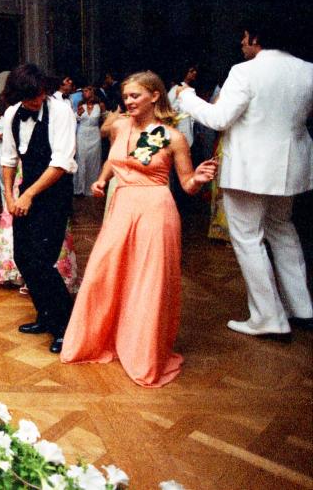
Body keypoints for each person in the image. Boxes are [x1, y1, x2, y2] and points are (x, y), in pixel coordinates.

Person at [62, 71, 217, 386]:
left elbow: (186, 185)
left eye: (135, 96)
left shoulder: (172, 137)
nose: (128, 101)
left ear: (155, 96)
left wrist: (197, 180)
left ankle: (143, 353)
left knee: (147, 282)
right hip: (121, 207)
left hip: (155, 210)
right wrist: (103, 178)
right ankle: (96, 340)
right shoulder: (120, 126)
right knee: (104, 273)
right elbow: (117, 155)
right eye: (126, 96)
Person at [177, 20, 313, 338]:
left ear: (255, 37)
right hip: (291, 166)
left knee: (248, 238)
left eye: (243, 37)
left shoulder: (244, 71)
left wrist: (187, 97)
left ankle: (269, 317)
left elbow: (218, 118)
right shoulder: (308, 69)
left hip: (250, 169)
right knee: (282, 230)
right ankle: (302, 308)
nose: (241, 43)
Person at [0, 64, 77, 354]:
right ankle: (45, 315)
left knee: (42, 260)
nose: (38, 101)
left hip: (54, 190)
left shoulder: (61, 110)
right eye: (31, 97)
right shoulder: (11, 114)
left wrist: (29, 194)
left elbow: (61, 162)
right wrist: (10, 195)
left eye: (41, 94)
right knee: (23, 257)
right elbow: (8, 159)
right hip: (25, 190)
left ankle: (66, 326)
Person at [73, 85, 105, 196]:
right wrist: (79, 113)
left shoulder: (100, 105)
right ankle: (79, 189)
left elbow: (105, 120)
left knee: (93, 160)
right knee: (81, 159)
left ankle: (92, 188)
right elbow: (75, 119)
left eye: (86, 90)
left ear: (92, 91)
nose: (84, 93)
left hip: (95, 134)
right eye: (83, 91)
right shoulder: (81, 105)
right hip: (81, 133)